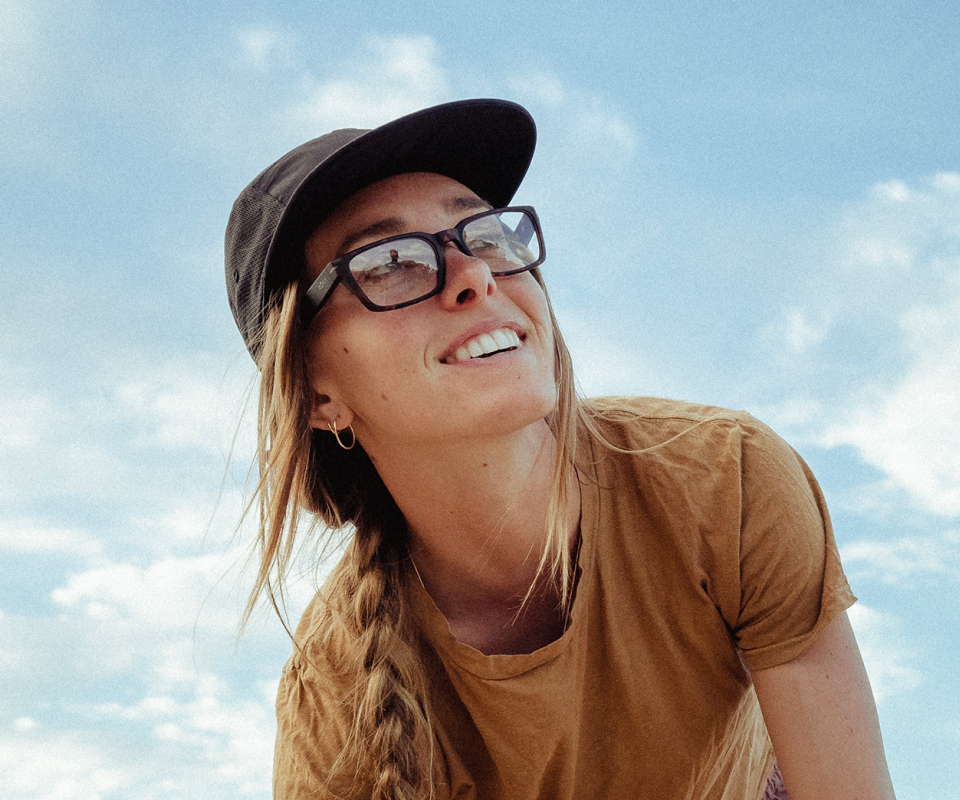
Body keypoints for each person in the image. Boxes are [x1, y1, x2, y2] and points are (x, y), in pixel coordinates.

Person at [224, 99, 897, 800]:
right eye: (391, 261)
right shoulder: (333, 695)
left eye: (484, 235)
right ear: (315, 390)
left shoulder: (725, 480)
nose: (475, 276)